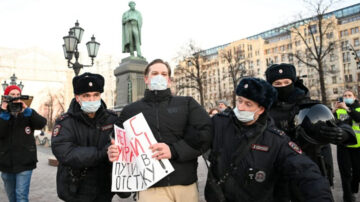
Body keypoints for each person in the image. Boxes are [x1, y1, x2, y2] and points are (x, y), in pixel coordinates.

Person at [205, 77, 332, 202]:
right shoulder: (219, 123)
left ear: (261, 109)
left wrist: (320, 196)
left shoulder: (275, 139)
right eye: (239, 101)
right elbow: (195, 139)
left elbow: (304, 170)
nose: (241, 107)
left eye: (248, 104)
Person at [108, 59, 212, 202]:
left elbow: (205, 133)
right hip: (150, 188)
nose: (159, 76)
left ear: (169, 80)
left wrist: (174, 150)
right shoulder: (130, 110)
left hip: (185, 185)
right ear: (146, 79)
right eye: (155, 73)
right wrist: (113, 150)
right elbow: (117, 141)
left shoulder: (187, 103)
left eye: (164, 74)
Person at [265, 63, 356, 201]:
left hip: (310, 173)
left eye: (286, 82)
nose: (282, 86)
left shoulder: (309, 105)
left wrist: (343, 134)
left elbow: (338, 124)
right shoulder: (263, 111)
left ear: (294, 82)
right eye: (277, 83)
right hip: (275, 177)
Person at [51, 73, 129, 202]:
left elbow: (123, 147)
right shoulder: (65, 122)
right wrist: (102, 153)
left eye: (96, 95)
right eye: (86, 96)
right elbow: (65, 152)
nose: (92, 99)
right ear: (77, 98)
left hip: (104, 189)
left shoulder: (112, 119)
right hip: (76, 190)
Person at [0, 85, 47, 202]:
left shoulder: (27, 112)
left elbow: (42, 123)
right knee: (12, 196)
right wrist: (4, 114)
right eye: (12, 94)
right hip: (6, 162)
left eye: (17, 95)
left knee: (21, 196)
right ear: (6, 97)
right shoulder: (1, 113)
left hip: (25, 161)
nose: (15, 97)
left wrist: (28, 111)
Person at [333, 90, 360, 202]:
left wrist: (347, 109)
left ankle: (353, 190)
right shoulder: (338, 110)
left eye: (349, 95)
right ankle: (348, 197)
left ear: (355, 97)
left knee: (358, 172)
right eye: (345, 96)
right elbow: (330, 122)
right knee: (345, 174)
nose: (347, 97)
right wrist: (333, 110)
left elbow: (358, 118)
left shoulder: (358, 109)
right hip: (343, 146)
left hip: (357, 147)